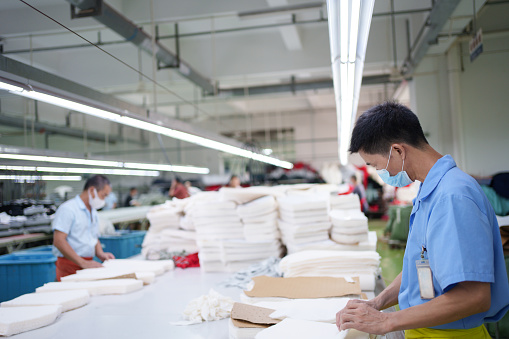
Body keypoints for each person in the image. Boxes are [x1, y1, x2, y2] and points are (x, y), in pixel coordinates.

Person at [336, 102, 509, 338]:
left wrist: (387, 321)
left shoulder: (453, 197)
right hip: (423, 328)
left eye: (376, 165)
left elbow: (474, 297)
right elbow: (417, 267)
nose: (380, 173)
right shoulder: (429, 192)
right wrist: (377, 303)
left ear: (397, 150)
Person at [52, 175, 115, 281]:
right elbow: (58, 241)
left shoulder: (93, 211)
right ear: (92, 190)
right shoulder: (68, 209)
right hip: (69, 264)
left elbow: (93, 236)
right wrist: (83, 262)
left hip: (87, 263)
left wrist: (100, 253)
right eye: (103, 196)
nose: (104, 200)